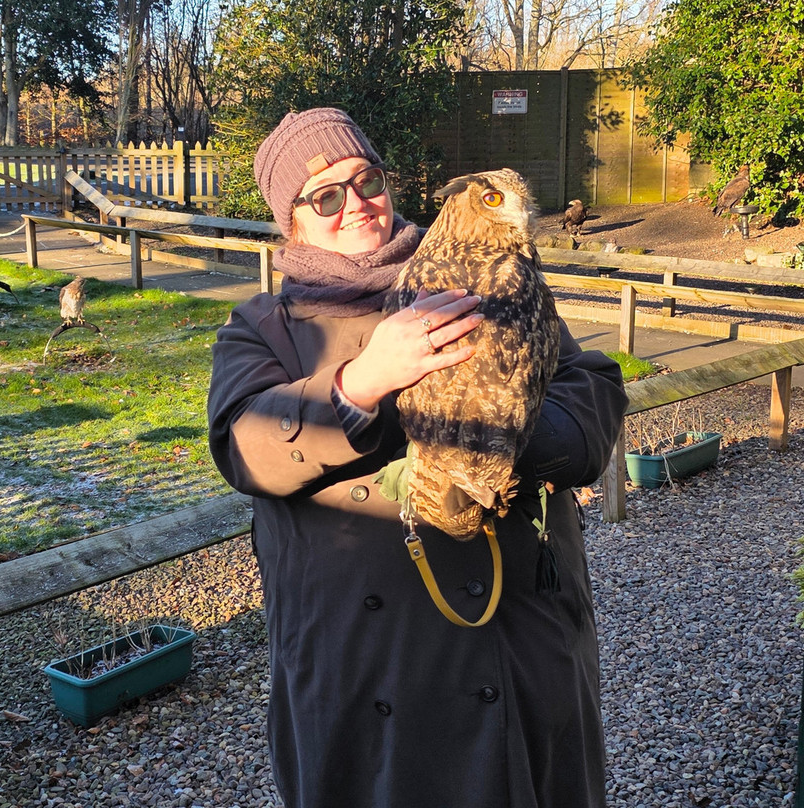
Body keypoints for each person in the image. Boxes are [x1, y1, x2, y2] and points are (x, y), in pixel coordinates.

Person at [207, 107, 628, 808]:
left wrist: (506, 438)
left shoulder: (488, 274)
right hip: (368, 674)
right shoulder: (264, 328)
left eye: (366, 179)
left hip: (517, 642)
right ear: (293, 220)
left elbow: (591, 388)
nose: (356, 204)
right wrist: (364, 381)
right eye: (326, 195)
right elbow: (244, 447)